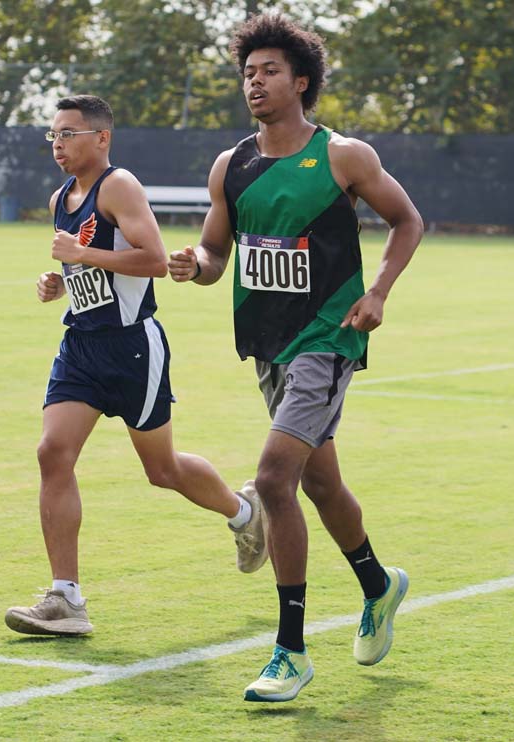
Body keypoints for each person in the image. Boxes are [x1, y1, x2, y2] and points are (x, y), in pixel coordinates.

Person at [167, 13, 423, 703]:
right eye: (248, 73)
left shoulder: (344, 156)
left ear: (301, 81)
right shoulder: (233, 165)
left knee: (274, 480)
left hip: (328, 335)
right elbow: (218, 253)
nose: (255, 82)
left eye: (269, 71)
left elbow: (407, 220)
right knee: (318, 484)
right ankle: (377, 584)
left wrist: (377, 293)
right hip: (270, 343)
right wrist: (197, 263)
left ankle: (290, 650)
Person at [4, 94, 268, 637]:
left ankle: (245, 513)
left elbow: (152, 260)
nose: (57, 143)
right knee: (52, 453)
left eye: (69, 133)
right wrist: (58, 283)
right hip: (81, 345)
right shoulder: (62, 196)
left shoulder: (118, 186)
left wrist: (82, 258)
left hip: (132, 348)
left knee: (162, 470)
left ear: (101, 138)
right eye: (52, 134)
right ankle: (65, 599)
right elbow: (85, 266)